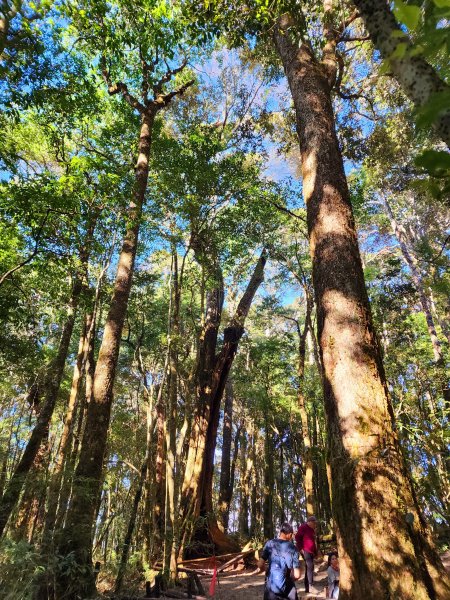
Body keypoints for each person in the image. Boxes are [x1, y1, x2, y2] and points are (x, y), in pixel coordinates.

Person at [258, 522, 301, 600]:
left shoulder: (270, 544)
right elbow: (297, 575)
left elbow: (260, 564)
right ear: (288, 534)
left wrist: (266, 570)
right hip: (287, 589)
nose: (291, 537)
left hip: (271, 588)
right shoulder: (293, 548)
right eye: (291, 535)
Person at [295, 516, 320, 595]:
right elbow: (297, 538)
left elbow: (313, 542)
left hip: (311, 552)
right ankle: (311, 586)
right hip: (305, 551)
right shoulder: (303, 527)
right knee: (310, 567)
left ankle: (307, 588)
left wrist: (315, 553)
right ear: (310, 522)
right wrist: (301, 549)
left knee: (308, 568)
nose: (315, 525)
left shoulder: (312, 530)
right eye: (314, 523)